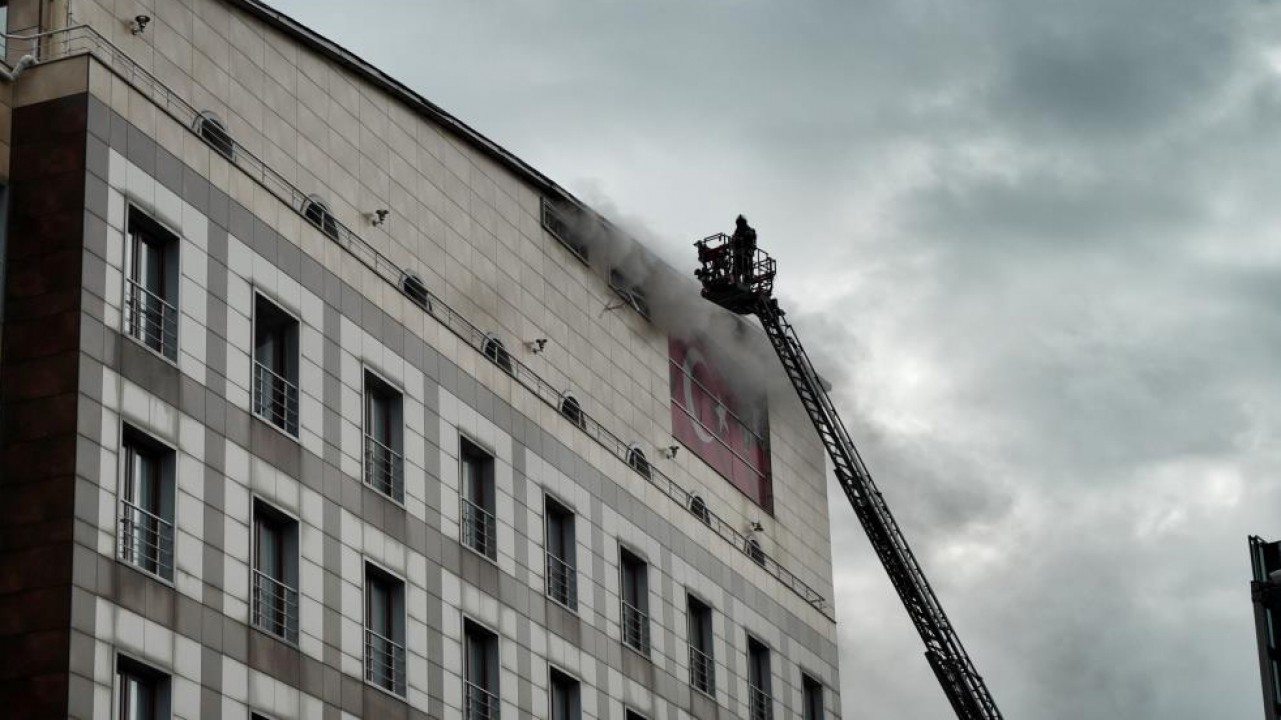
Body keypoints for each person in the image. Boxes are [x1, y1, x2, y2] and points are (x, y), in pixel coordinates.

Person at [730, 214, 757, 285]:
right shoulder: (737, 231)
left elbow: (751, 236)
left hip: (747, 251)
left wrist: (742, 238)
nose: (739, 225)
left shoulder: (749, 230)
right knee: (736, 267)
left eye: (740, 223)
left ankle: (747, 279)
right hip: (738, 252)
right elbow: (733, 239)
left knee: (747, 266)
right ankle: (735, 280)